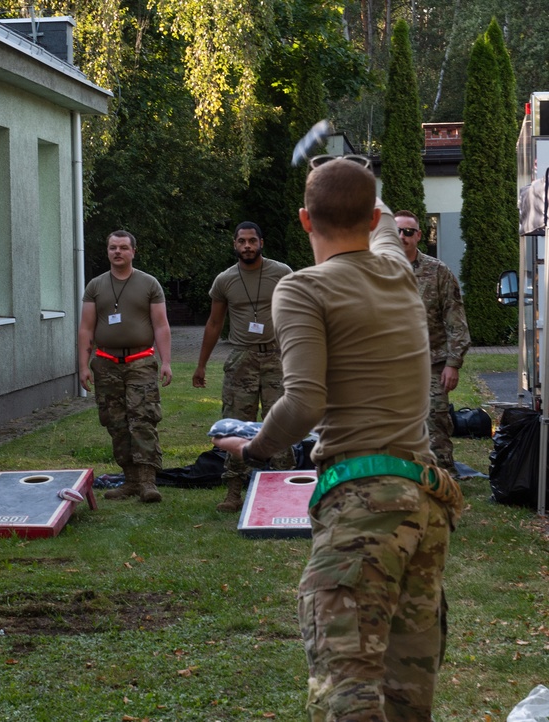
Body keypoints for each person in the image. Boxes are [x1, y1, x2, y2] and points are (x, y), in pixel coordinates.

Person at [212, 157, 462, 720]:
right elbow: (380, 225)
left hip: (363, 509)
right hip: (424, 503)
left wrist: (253, 448)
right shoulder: (400, 268)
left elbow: (303, 403)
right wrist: (358, 169)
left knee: (346, 696)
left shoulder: (302, 289)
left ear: (305, 220)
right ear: (377, 215)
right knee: (406, 696)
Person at [192, 222, 294, 512]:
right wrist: (201, 365)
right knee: (235, 426)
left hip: (277, 357)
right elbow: (214, 323)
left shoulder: (282, 273)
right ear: (234, 244)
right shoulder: (225, 280)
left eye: (252, 241)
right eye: (241, 241)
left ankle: (282, 489)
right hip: (242, 359)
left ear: (262, 242)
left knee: (281, 424)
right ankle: (234, 491)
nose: (247, 246)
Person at [78, 230, 173, 503]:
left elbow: (161, 325)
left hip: (140, 361)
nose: (117, 252)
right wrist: (84, 366)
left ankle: (147, 482)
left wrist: (165, 362)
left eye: (122, 247)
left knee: (142, 419)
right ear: (107, 251)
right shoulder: (95, 286)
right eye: (112, 248)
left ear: (133, 251)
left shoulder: (149, 284)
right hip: (105, 364)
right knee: (116, 422)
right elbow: (86, 328)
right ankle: (129, 480)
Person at [395, 210, 471, 475]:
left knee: (435, 423)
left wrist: (453, 363)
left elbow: (455, 320)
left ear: (418, 236)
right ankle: (400, 476)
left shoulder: (438, 271)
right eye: (397, 231)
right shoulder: (376, 271)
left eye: (408, 232)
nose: (402, 237)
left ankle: (444, 479)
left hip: (432, 364)